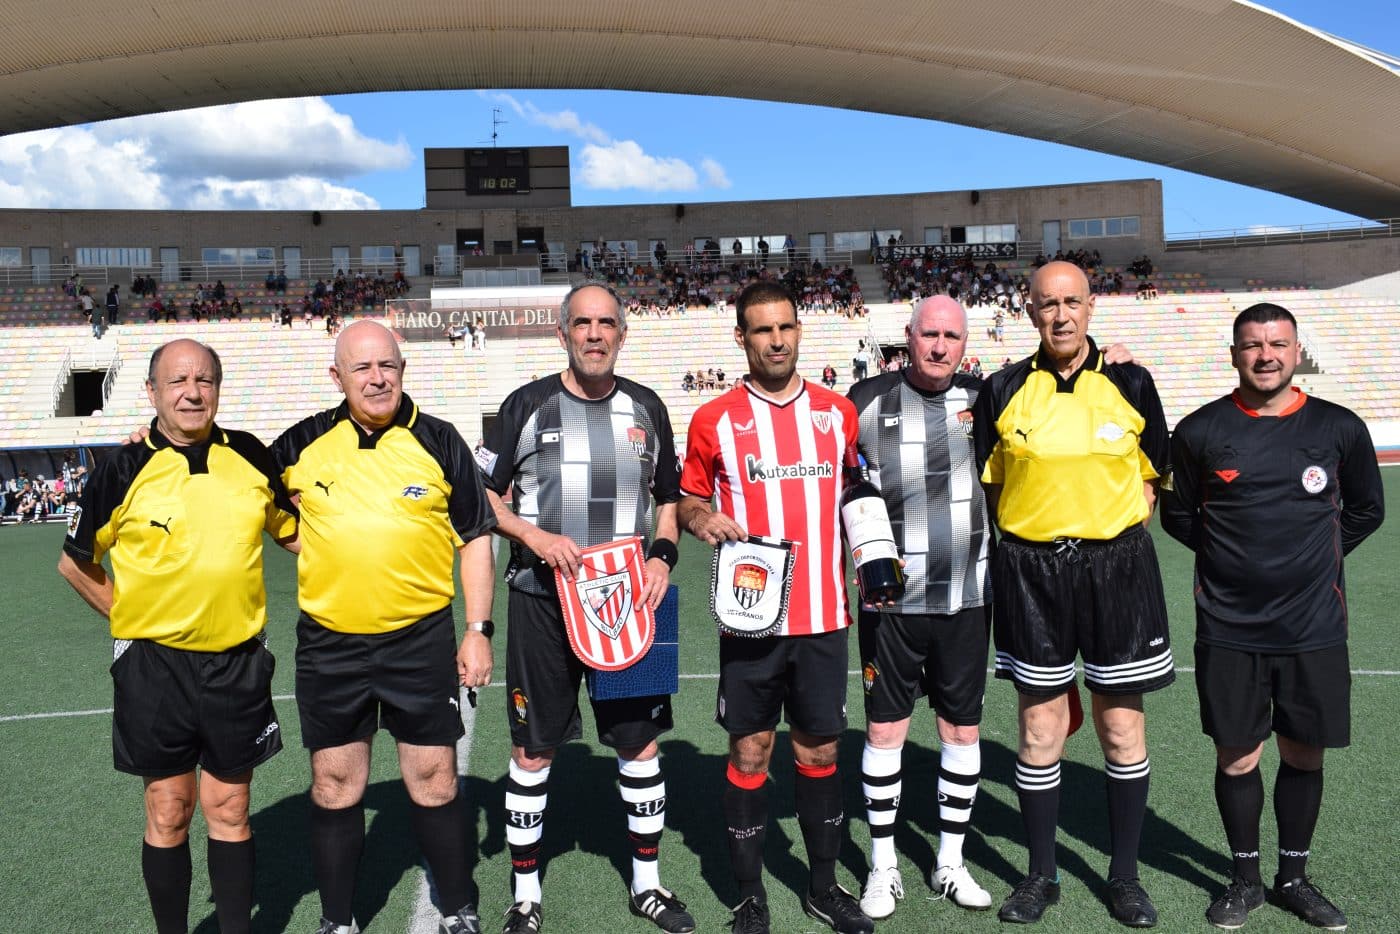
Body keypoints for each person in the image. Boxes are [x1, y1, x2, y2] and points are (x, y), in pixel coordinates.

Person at [58, 339, 298, 934]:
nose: (192, 392)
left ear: (218, 387)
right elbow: (75, 563)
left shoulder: (250, 455)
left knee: (231, 808)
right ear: (152, 393)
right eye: (177, 382)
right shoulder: (122, 467)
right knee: (169, 811)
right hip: (155, 668)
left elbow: (293, 534)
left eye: (204, 380)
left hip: (237, 662)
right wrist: (131, 620)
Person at [475, 283, 694, 934]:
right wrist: (532, 536)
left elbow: (669, 499)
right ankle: (525, 896)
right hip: (541, 600)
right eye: (582, 323)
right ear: (562, 332)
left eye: (606, 323)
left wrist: (661, 557)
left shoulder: (648, 407)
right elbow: (481, 499)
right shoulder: (526, 404)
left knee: (641, 746)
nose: (595, 334)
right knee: (533, 751)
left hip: (630, 598)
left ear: (622, 333)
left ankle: (648, 886)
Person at [1160, 303, 1384, 932]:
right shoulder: (1201, 431)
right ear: (1235, 354)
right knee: (1237, 756)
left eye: (1277, 344)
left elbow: (1367, 509)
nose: (1266, 355)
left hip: (1314, 626)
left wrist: (1314, 560)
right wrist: (1234, 561)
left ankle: (1294, 877)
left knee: (1305, 754)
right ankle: (1244, 879)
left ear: (1296, 350)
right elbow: (1178, 516)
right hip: (1229, 626)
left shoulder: (1338, 427)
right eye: (1253, 344)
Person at [271, 320, 497, 934]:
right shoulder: (301, 443)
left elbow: (475, 538)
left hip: (418, 641)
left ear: (402, 369)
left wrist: (477, 629)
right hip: (330, 644)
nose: (376, 379)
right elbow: (250, 497)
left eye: (387, 366)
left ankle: (457, 908)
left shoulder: (441, 440)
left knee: (433, 778)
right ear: (337, 377)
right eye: (362, 368)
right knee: (335, 782)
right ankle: (338, 920)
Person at [973, 260, 1172, 927]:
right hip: (1031, 573)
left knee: (1120, 728)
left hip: (1117, 570)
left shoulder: (1132, 380)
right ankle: (1040, 875)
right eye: (1047, 303)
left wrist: (1101, 534)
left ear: (1091, 307)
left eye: (1072, 301)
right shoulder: (1001, 389)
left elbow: (1153, 480)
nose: (1060, 315)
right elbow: (996, 488)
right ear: (1029, 311)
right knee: (1039, 728)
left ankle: (1124, 877)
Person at [679, 281, 873, 934]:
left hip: (824, 617)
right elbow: (687, 499)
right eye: (762, 330)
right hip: (753, 617)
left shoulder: (838, 413)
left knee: (820, 753)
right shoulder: (715, 420)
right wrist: (703, 519)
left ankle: (823, 888)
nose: (777, 340)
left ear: (799, 330)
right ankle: (749, 894)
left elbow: (859, 495)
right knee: (751, 753)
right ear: (742, 338)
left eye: (785, 327)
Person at [845, 296, 994, 919]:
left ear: (965, 342)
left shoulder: (988, 400)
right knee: (886, 731)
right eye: (928, 334)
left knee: (961, 731)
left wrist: (1113, 360)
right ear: (907, 336)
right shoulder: (864, 399)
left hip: (967, 598)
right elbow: (838, 480)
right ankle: (882, 868)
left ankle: (950, 862)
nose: (938, 346)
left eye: (950, 336)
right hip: (892, 604)